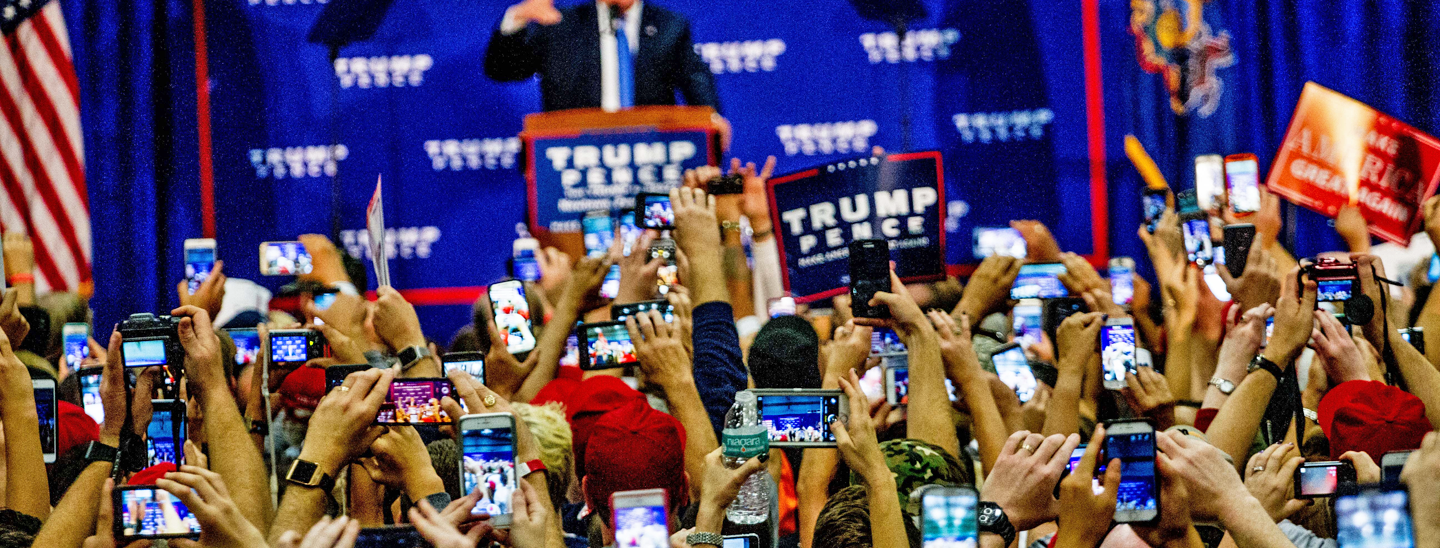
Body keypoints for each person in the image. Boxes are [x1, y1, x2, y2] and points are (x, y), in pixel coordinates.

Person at [484, 0, 720, 114]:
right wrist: (516, 18)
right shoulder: (560, 25)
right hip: (572, 178)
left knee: (653, 213)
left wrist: (712, 118)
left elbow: (695, 80)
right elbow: (503, 70)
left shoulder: (670, 26)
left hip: (651, 168)